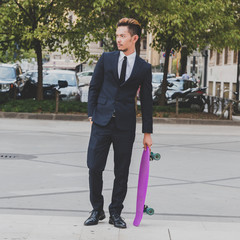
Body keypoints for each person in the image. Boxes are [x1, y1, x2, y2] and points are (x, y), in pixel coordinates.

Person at [84, 18, 153, 229]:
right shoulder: (106, 59)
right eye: (116, 36)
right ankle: (97, 210)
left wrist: (147, 132)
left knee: (121, 171)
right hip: (101, 122)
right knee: (94, 167)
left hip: (125, 125)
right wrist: (91, 114)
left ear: (134, 38)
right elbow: (94, 87)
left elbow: (147, 101)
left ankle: (116, 212)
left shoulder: (143, 67)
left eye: (122, 36)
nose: (118, 40)